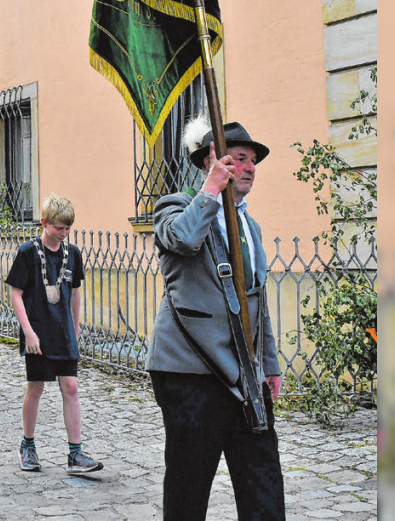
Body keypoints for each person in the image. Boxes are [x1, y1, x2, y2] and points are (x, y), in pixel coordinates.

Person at [147, 120, 284, 520]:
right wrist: (210, 190)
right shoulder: (175, 206)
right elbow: (184, 240)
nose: (249, 168)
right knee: (190, 485)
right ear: (213, 160)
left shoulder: (249, 225)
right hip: (190, 371)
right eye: (239, 158)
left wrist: (269, 365)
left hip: (245, 375)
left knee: (263, 480)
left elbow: (257, 302)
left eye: (252, 162)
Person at [7, 194, 102, 475]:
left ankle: (75, 453)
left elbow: (74, 294)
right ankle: (28, 445)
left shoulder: (72, 254)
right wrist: (28, 332)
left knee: (70, 387)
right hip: (38, 330)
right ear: (44, 223)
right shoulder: (27, 252)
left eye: (68, 228)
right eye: (59, 228)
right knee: (36, 387)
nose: (63, 233)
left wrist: (74, 330)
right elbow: (16, 294)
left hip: (62, 332)